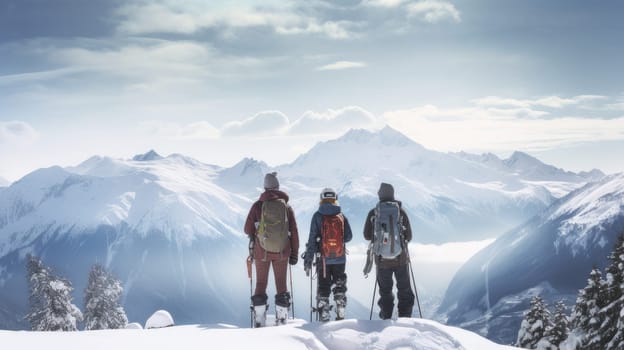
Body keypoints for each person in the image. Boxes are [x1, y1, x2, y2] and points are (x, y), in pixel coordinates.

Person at [244, 172, 299, 327]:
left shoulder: (257, 206)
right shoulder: (286, 207)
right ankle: (282, 319)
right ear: (277, 187)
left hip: (262, 252)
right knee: (281, 283)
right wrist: (294, 254)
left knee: (261, 283)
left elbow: (247, 229)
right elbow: (294, 232)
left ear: (265, 188)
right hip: (282, 252)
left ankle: (260, 318)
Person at [363, 182, 415, 319]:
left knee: (385, 292)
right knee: (404, 291)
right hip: (401, 259)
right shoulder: (400, 211)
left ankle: (385, 319)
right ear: (392, 194)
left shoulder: (374, 212)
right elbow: (409, 236)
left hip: (381, 260)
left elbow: (366, 235)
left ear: (380, 195)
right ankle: (405, 319)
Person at [303, 188, 353, 322]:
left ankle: (324, 312)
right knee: (339, 283)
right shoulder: (341, 216)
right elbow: (349, 237)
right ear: (335, 198)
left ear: (321, 198)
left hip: (323, 259)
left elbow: (312, 240)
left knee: (324, 286)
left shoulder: (317, 216)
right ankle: (340, 306)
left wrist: (308, 260)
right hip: (339, 258)